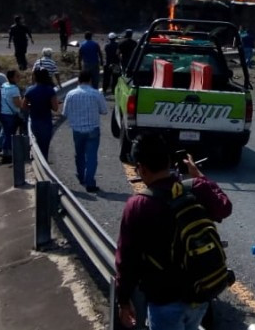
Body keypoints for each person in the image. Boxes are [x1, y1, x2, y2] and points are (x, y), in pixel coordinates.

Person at [116, 134, 233, 330]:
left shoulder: (138, 205)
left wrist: (124, 300)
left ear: (141, 168)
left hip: (165, 300)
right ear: (169, 161)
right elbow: (224, 207)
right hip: (201, 293)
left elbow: (127, 260)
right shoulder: (195, 188)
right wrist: (199, 176)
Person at [62, 69, 109, 192]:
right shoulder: (96, 93)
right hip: (93, 128)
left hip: (77, 129)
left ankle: (81, 176)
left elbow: (65, 112)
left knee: (79, 154)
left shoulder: (70, 94)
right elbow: (104, 111)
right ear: (90, 80)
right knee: (92, 156)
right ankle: (90, 182)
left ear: (78, 80)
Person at [24, 68, 61, 158]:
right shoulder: (49, 90)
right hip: (46, 122)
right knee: (44, 147)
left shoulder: (30, 90)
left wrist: (32, 106)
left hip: (34, 121)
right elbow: (55, 108)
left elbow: (24, 106)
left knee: (37, 145)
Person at [0, 69, 24, 162]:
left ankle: (3, 149)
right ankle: (7, 154)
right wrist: (24, 104)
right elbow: (17, 103)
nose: (19, 77)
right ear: (11, 77)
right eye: (17, 76)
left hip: (3, 112)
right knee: (9, 134)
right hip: (10, 114)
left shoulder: (4, 85)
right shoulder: (14, 89)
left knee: (6, 133)